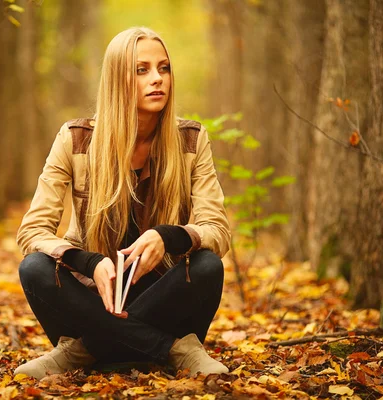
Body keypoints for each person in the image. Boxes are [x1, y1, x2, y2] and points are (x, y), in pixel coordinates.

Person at [15, 27, 230, 379]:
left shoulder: (190, 139)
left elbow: (217, 229)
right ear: (117, 78)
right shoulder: (76, 139)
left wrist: (168, 237)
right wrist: (88, 262)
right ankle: (174, 350)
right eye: (141, 70)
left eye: (164, 68)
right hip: (94, 297)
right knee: (34, 268)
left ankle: (82, 351)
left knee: (207, 266)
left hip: (164, 296)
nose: (157, 79)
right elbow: (32, 230)